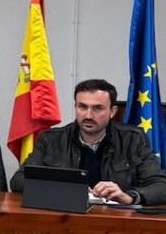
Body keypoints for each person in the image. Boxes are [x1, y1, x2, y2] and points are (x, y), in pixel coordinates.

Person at [10, 78, 166, 205]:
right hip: (66, 217)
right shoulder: (51, 139)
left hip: (117, 221)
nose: (88, 115)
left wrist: (130, 197)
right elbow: (18, 181)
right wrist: (66, 188)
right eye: (82, 107)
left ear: (112, 112)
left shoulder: (133, 140)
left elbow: (161, 186)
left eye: (97, 108)